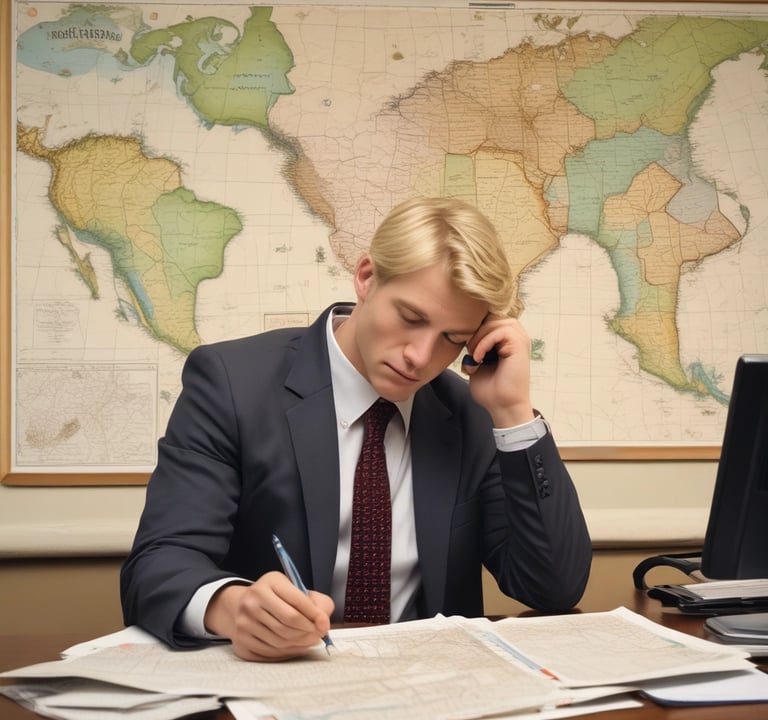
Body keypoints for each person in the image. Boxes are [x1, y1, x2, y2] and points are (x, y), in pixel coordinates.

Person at [121, 196, 592, 662]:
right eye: (411, 318)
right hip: (283, 678)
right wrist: (233, 607)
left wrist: (512, 412)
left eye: (452, 339)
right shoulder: (232, 384)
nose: (421, 357)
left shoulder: (470, 414)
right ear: (367, 277)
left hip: (431, 683)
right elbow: (158, 564)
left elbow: (553, 589)